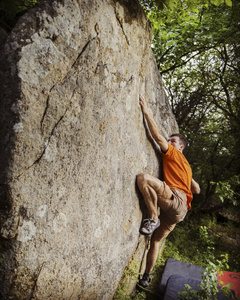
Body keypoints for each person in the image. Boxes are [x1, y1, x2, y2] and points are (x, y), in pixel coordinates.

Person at [137, 94, 200, 287]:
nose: (169, 142)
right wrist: (187, 179)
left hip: (175, 199)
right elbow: (196, 190)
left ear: (180, 147)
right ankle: (147, 277)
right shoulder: (186, 166)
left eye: (173, 141)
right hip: (180, 213)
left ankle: (153, 218)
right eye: (170, 140)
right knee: (155, 241)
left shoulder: (173, 153)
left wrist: (146, 111)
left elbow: (156, 137)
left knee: (143, 179)